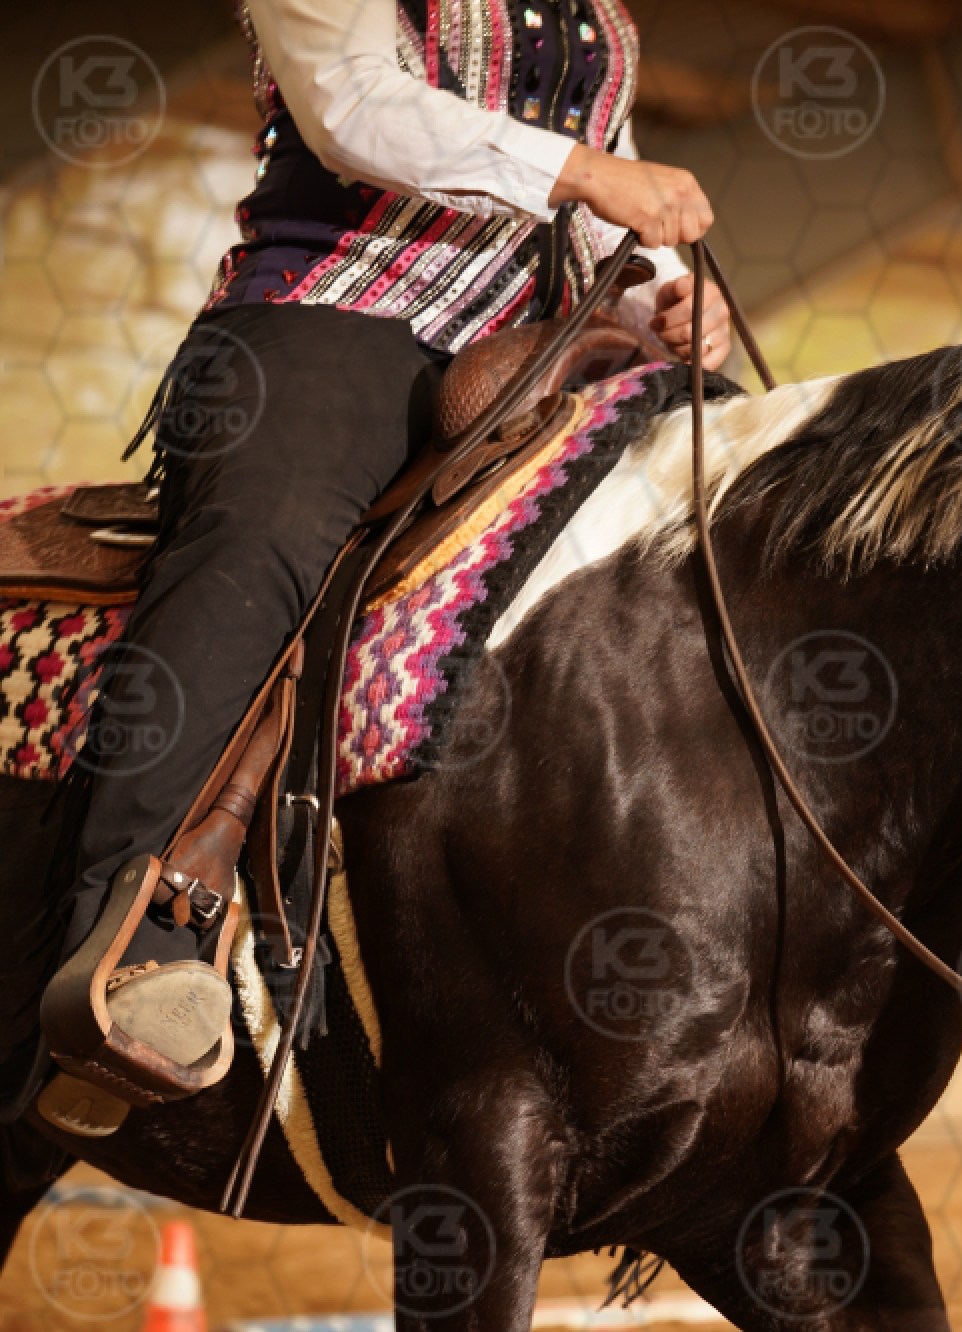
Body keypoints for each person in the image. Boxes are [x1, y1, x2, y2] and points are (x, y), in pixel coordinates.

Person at [36, 0, 730, 1101]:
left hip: (545, 352)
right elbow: (349, 100)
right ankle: (129, 940)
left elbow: (603, 210)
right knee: (258, 552)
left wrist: (667, 306)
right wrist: (588, 172)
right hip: (344, 313)